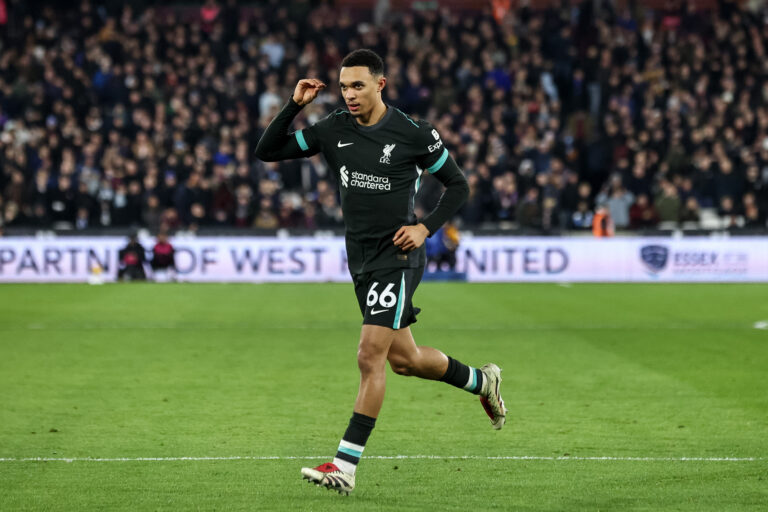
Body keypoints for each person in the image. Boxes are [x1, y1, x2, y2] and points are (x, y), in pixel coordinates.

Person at [254, 49, 506, 495]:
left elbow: (458, 184)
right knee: (405, 360)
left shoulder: (413, 133)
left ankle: (345, 466)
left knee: (369, 356)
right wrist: (294, 105)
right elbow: (267, 150)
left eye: (358, 85)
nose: (349, 94)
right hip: (362, 259)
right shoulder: (333, 129)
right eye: (343, 87)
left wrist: (425, 227)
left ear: (380, 84)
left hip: (399, 256)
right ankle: (482, 381)